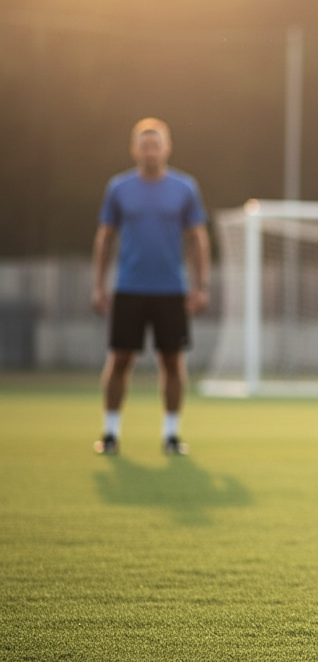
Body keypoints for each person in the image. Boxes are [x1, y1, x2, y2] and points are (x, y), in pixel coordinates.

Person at [92, 118, 210, 456]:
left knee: (172, 362)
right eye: (144, 145)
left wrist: (200, 285)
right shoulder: (119, 188)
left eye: (155, 144)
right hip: (129, 287)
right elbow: (105, 237)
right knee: (119, 359)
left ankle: (172, 435)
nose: (150, 150)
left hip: (171, 289)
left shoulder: (185, 188)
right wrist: (99, 285)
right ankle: (111, 432)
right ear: (134, 149)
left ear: (167, 147)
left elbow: (198, 238)